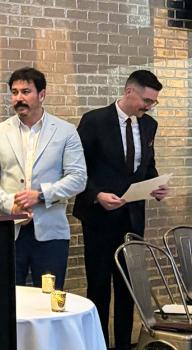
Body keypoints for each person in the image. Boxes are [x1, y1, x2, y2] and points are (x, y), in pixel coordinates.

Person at [73, 70, 169, 350]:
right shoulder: (94, 121)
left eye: (153, 102)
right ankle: (98, 344)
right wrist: (96, 194)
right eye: (147, 100)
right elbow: (77, 169)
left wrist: (156, 185)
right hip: (99, 218)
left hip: (132, 218)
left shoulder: (149, 125)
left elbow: (146, 165)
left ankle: (124, 344)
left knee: (128, 288)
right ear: (129, 92)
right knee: (99, 288)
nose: (149, 106)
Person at [0, 67, 87, 289]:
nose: (19, 98)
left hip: (52, 232)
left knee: (49, 299)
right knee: (9, 298)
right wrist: (11, 205)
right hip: (10, 230)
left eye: (26, 91)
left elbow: (78, 177)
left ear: (42, 94)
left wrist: (40, 195)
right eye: (14, 92)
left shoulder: (65, 131)